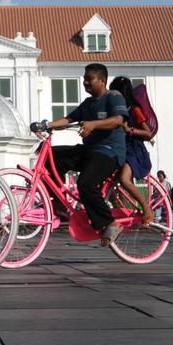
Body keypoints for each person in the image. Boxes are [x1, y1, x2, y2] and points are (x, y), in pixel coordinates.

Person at [32, 63, 128, 246]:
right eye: (84, 78)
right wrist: (46, 125)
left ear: (102, 80)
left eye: (89, 79)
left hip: (109, 152)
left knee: (85, 184)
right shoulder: (88, 104)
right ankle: (59, 205)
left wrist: (93, 124)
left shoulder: (113, 97)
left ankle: (110, 223)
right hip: (89, 151)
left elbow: (118, 120)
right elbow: (69, 119)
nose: (85, 82)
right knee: (51, 157)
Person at [109, 76, 155, 225]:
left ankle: (147, 208)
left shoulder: (134, 110)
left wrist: (129, 130)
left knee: (124, 179)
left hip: (134, 151)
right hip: (120, 148)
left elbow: (148, 133)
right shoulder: (117, 111)